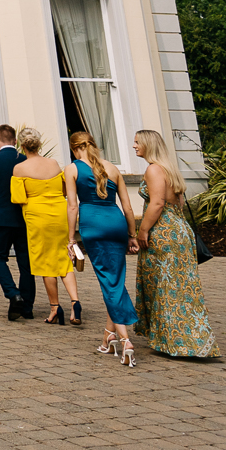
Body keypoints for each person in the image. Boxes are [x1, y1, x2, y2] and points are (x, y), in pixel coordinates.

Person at [133, 129, 219, 359]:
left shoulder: (153, 170)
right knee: (184, 288)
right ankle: (189, 339)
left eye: (137, 142)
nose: (134, 146)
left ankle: (178, 342)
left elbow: (158, 203)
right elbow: (178, 203)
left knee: (166, 287)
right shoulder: (170, 169)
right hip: (180, 231)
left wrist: (143, 229)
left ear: (149, 145)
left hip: (163, 232)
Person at [70, 130, 138, 366]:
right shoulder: (113, 168)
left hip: (93, 226)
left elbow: (72, 207)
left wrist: (71, 239)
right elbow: (128, 207)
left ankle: (125, 339)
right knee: (115, 280)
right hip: (117, 223)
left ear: (74, 148)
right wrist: (132, 235)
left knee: (108, 282)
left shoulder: (72, 168)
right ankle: (108, 337)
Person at [10, 126, 80, 324]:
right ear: (39, 144)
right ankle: (75, 303)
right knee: (63, 258)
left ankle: (55, 308)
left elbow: (18, 198)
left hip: (37, 216)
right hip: (60, 212)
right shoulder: (54, 163)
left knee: (46, 262)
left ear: (22, 146)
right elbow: (64, 190)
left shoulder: (19, 168)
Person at [0, 124, 34, 321]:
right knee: (26, 262)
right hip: (23, 217)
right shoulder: (25, 159)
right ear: (15, 141)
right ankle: (27, 306)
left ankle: (13, 293)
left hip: (0, 216)